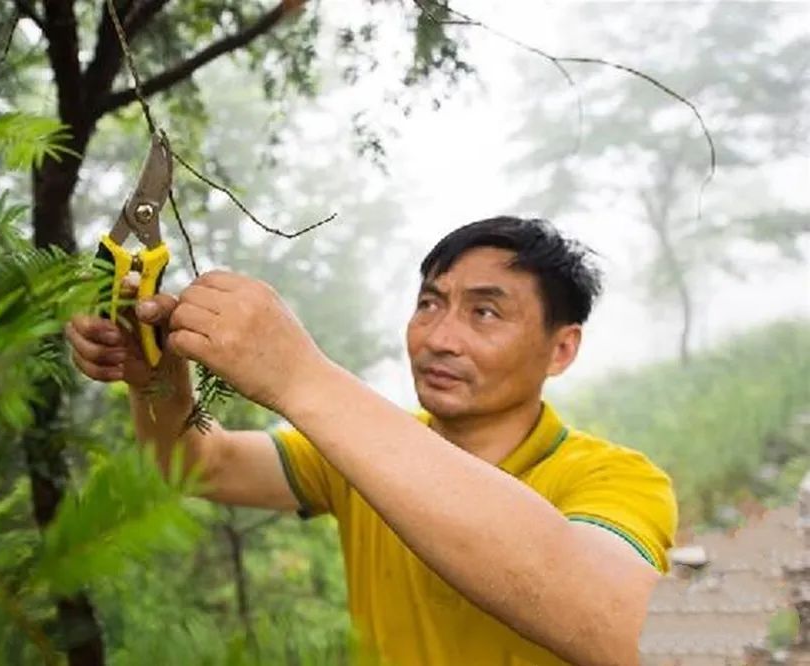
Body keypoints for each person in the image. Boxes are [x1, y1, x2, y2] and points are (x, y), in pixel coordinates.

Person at [66, 216, 677, 665]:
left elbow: (620, 623)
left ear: (562, 348)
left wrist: (301, 376)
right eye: (429, 304)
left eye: (485, 313)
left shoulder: (616, 480)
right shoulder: (365, 450)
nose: (440, 337)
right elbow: (200, 464)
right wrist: (156, 376)